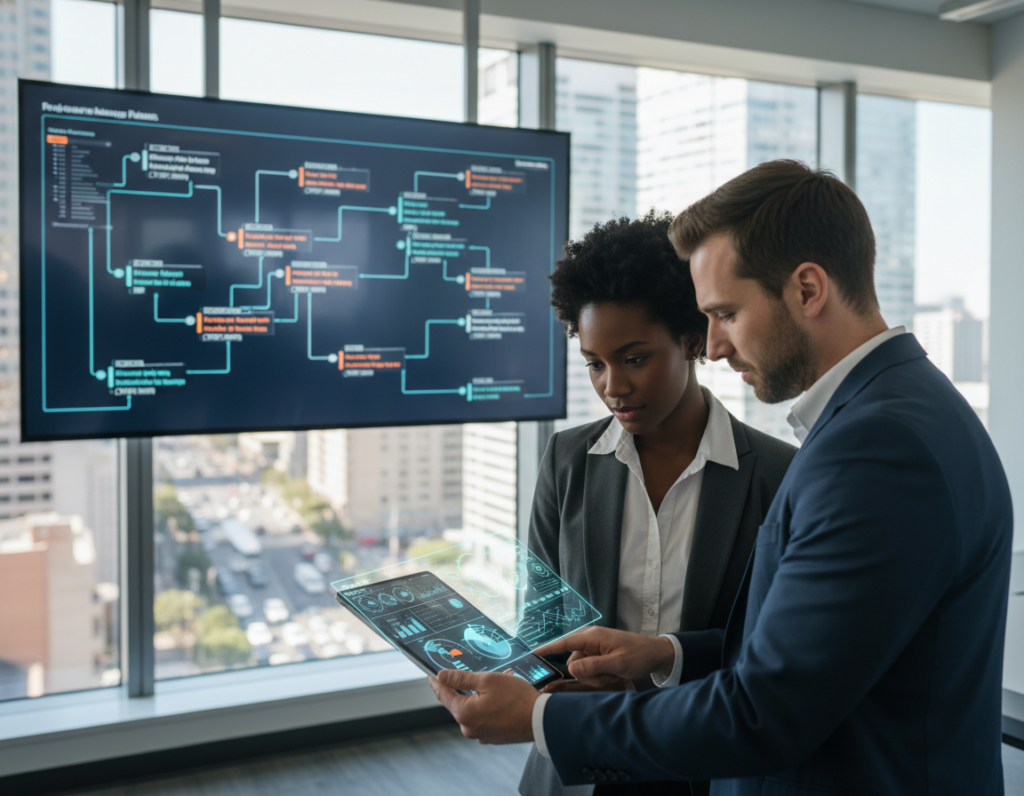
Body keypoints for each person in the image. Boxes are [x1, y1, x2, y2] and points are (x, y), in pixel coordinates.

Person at [429, 160, 1013, 795]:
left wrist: (541, 716)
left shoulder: (876, 446)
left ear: (809, 289)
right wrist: (668, 654)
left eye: (727, 314)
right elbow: (810, 652)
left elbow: (766, 711)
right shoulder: (891, 412)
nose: (713, 347)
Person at [519, 212, 796, 796]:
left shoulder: (777, 474)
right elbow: (539, 624)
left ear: (692, 341)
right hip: (579, 766)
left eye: (635, 358)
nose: (612, 385)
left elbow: (772, 654)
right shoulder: (566, 460)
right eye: (595, 363)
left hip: (704, 765)